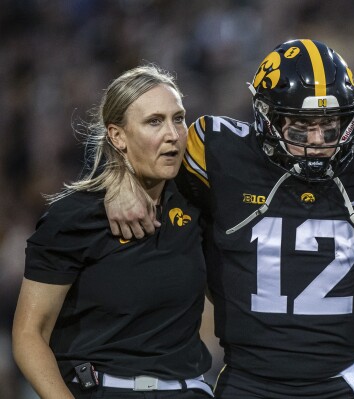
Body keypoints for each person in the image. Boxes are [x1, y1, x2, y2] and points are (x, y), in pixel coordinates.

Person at [105, 39, 354, 398]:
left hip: (345, 378)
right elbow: (148, 151)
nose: (318, 141)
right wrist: (119, 177)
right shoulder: (215, 148)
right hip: (248, 377)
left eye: (330, 125)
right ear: (266, 118)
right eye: (300, 127)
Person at [12, 65, 214, 398]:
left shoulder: (199, 203)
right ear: (117, 135)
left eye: (178, 118)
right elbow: (29, 334)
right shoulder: (75, 216)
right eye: (154, 121)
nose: (173, 134)